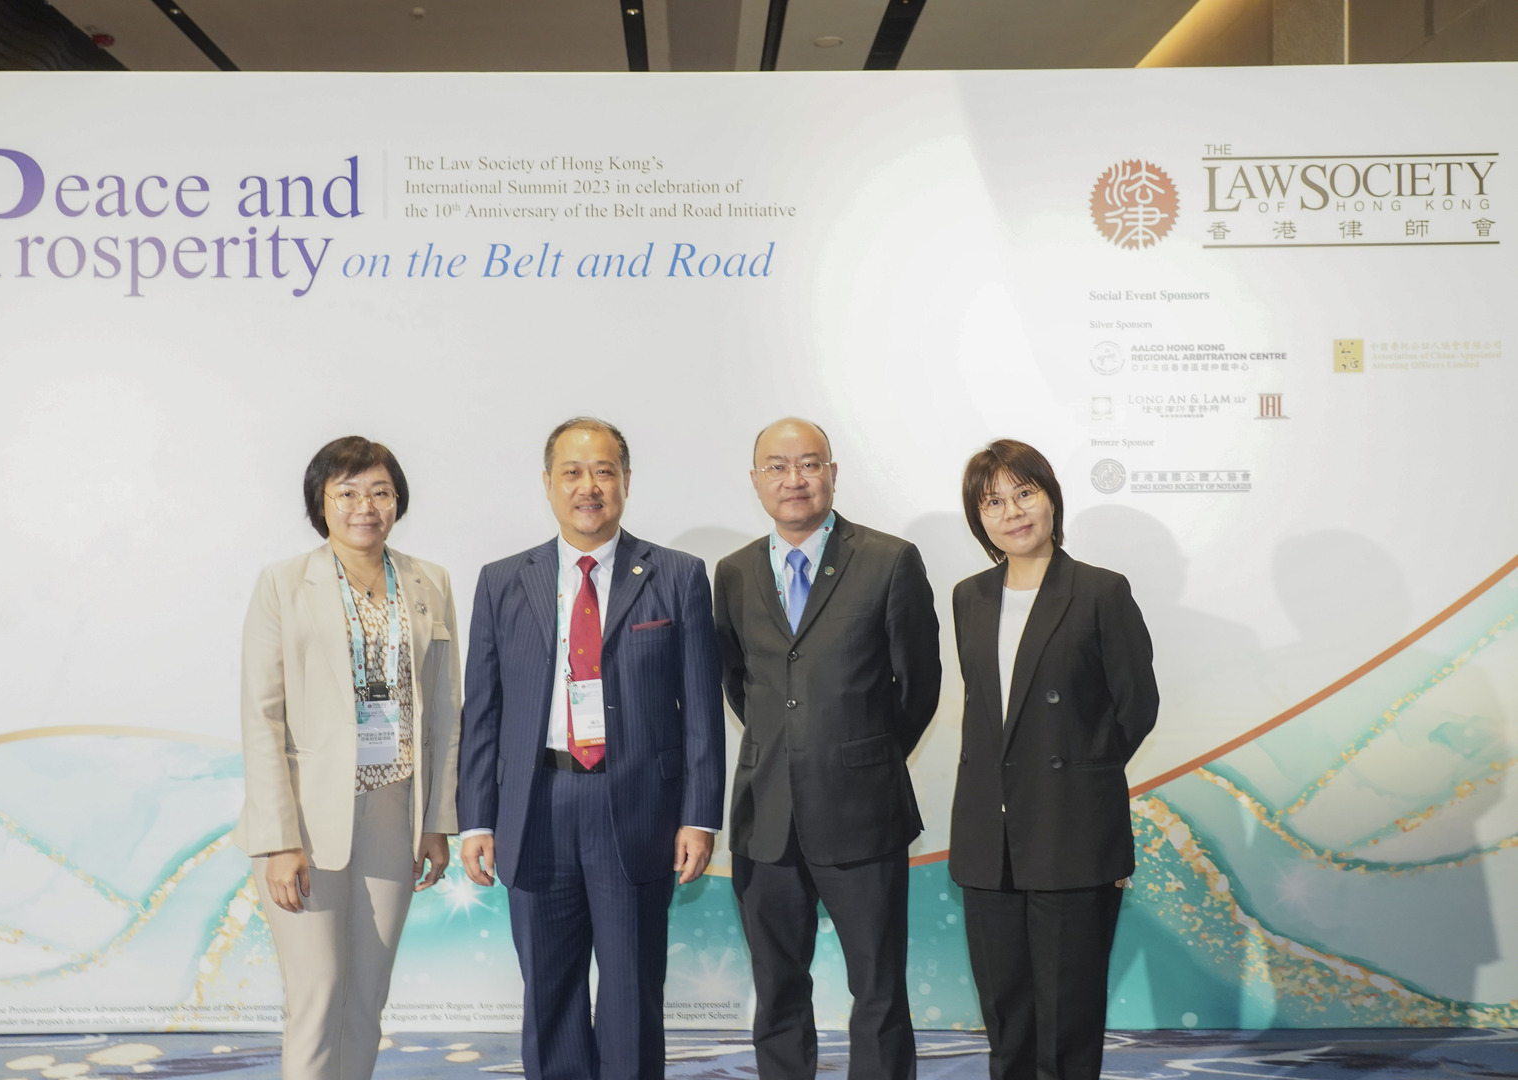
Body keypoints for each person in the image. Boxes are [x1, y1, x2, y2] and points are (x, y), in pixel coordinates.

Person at [457, 416, 725, 1080]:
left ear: (626, 481)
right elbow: (482, 712)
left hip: (634, 807)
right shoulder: (501, 580)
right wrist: (477, 819)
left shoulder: (678, 576)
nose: (589, 486)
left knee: (632, 992)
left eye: (604, 471)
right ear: (548, 483)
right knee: (549, 995)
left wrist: (699, 815)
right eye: (572, 472)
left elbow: (701, 709)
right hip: (535, 808)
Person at [714, 417, 940, 1080]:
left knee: (878, 989)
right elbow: (738, 682)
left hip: (863, 811)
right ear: (756, 480)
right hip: (766, 817)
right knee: (778, 987)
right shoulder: (733, 572)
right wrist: (789, 749)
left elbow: (918, 686)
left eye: (809, 464)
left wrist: (858, 754)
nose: (794, 479)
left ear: (832, 474)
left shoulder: (889, 560)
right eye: (778, 466)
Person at [233, 435, 461, 1080]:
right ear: (321, 503)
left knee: (366, 997)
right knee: (317, 996)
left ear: (398, 501)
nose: (366, 506)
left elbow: (447, 711)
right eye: (348, 492)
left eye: (380, 492)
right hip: (306, 819)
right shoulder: (283, 584)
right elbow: (261, 716)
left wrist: (437, 821)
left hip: (396, 808)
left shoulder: (429, 581)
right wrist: (278, 839)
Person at [948, 438, 1159, 1080]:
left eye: (1024, 493)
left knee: (1068, 1022)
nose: (1012, 511)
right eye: (993, 502)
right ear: (978, 519)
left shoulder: (1100, 591)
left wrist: (1076, 774)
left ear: (1051, 499)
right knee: (1005, 1018)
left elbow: (1136, 707)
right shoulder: (968, 597)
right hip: (989, 837)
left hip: (1071, 830)